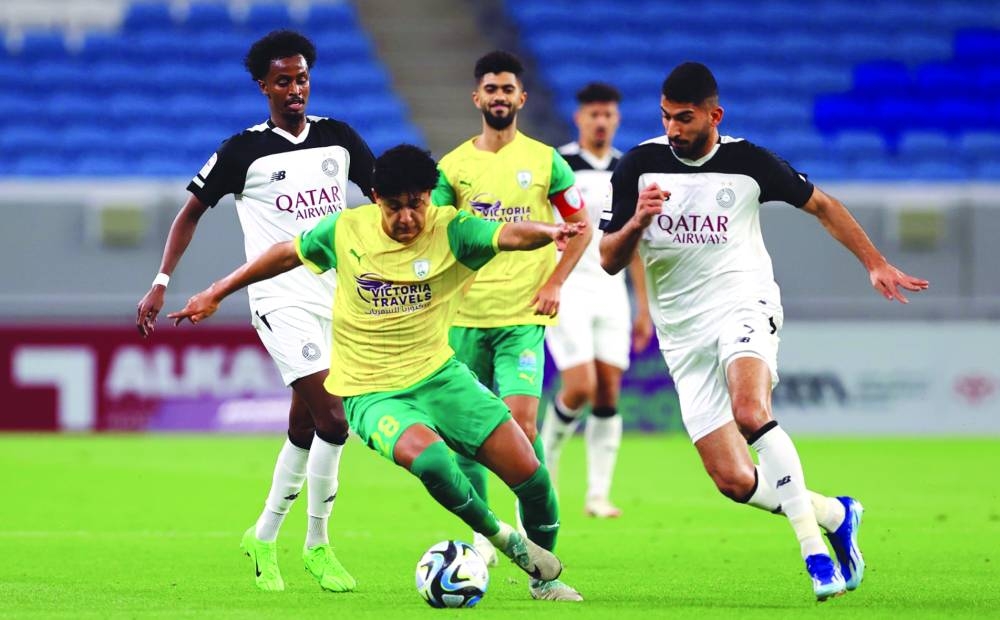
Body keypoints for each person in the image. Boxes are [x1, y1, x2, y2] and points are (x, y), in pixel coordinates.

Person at [168, 144, 586, 602]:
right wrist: (218, 290)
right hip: (371, 392)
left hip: (440, 376)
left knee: (534, 477)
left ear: (430, 197)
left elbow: (508, 234)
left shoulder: (452, 229)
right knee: (431, 461)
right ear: (373, 198)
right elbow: (285, 254)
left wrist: (550, 230)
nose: (407, 218)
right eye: (394, 207)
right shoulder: (347, 230)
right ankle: (504, 537)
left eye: (417, 204)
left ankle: (544, 581)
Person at [599, 62, 929, 601]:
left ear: (714, 115)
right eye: (666, 118)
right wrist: (637, 220)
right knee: (732, 480)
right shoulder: (639, 165)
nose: (675, 129)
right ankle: (832, 512)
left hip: (743, 304)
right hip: (681, 335)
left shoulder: (749, 162)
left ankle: (814, 553)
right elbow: (610, 261)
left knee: (752, 411)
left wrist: (874, 262)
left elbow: (822, 204)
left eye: (685, 118)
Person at [135, 30, 375, 593]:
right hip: (278, 301)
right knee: (335, 422)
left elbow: (385, 193)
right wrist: (161, 281)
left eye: (303, 78)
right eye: (284, 81)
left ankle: (263, 535)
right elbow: (189, 213)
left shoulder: (339, 139)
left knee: (303, 424)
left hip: (336, 299)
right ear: (264, 86)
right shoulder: (242, 151)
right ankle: (318, 545)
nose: (296, 89)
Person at [431, 50, 592, 565]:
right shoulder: (453, 167)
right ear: (477, 97)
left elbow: (581, 227)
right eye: (491, 89)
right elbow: (436, 233)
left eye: (508, 90)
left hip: (522, 316)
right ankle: (486, 537)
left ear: (521, 98)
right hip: (464, 319)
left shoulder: (547, 161)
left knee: (522, 426)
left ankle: (538, 545)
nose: (499, 97)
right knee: (463, 437)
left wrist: (557, 281)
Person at [540, 82, 653, 519]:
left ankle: (597, 495)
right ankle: (545, 469)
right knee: (580, 386)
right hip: (569, 286)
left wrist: (643, 306)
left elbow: (636, 242)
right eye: (594, 115)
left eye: (608, 115)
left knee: (607, 393)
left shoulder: (629, 168)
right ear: (579, 118)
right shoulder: (559, 163)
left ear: (617, 119)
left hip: (612, 291)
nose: (601, 122)